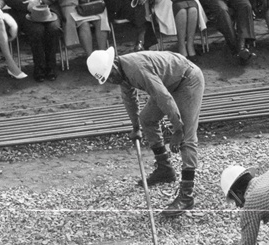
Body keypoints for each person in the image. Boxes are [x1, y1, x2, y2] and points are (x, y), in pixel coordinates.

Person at [87, 47, 205, 217]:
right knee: (147, 119)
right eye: (108, 79)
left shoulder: (136, 69)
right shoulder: (122, 73)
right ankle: (165, 169)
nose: (112, 80)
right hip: (169, 83)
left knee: (187, 136)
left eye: (111, 75)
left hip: (188, 79)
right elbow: (130, 99)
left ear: (113, 63)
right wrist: (136, 127)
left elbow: (163, 97)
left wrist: (177, 129)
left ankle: (186, 195)